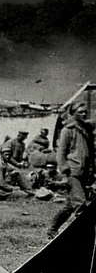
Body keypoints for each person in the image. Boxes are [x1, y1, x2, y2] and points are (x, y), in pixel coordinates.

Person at [51, 101, 93, 237]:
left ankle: (52, 228)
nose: (84, 114)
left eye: (85, 112)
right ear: (73, 114)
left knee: (70, 205)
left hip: (84, 172)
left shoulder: (86, 130)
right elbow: (61, 152)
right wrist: (64, 169)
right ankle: (86, 235)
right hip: (72, 172)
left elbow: (91, 152)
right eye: (81, 112)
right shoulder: (68, 130)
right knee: (80, 204)